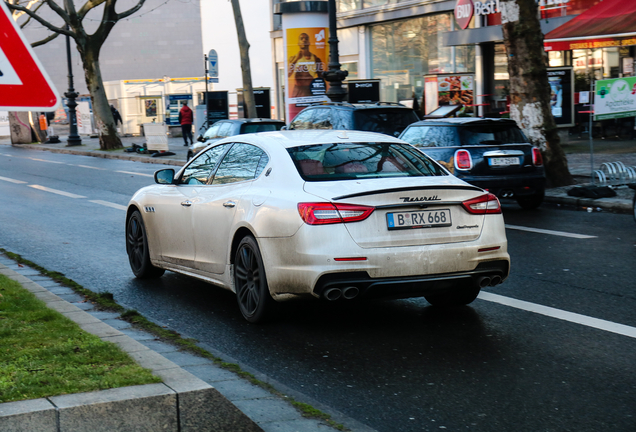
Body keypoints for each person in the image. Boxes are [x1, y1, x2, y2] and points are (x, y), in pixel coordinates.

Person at [287, 32, 325, 98]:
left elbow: (321, 77)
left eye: (306, 38)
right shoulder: (293, 58)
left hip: (311, 91)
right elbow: (288, 74)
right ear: (298, 43)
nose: (304, 40)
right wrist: (296, 60)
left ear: (309, 42)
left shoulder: (316, 59)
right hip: (298, 92)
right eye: (301, 38)